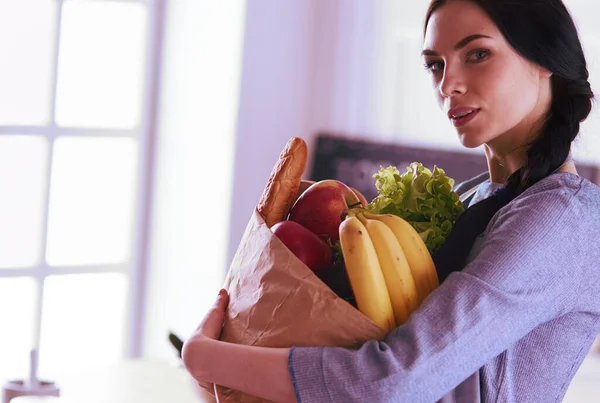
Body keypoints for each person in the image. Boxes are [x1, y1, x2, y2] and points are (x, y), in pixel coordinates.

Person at [181, 0, 600, 401]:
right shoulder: (472, 197)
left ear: (544, 57)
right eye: (435, 65)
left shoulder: (561, 220)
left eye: (477, 54)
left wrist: (206, 358)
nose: (447, 85)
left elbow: (394, 380)